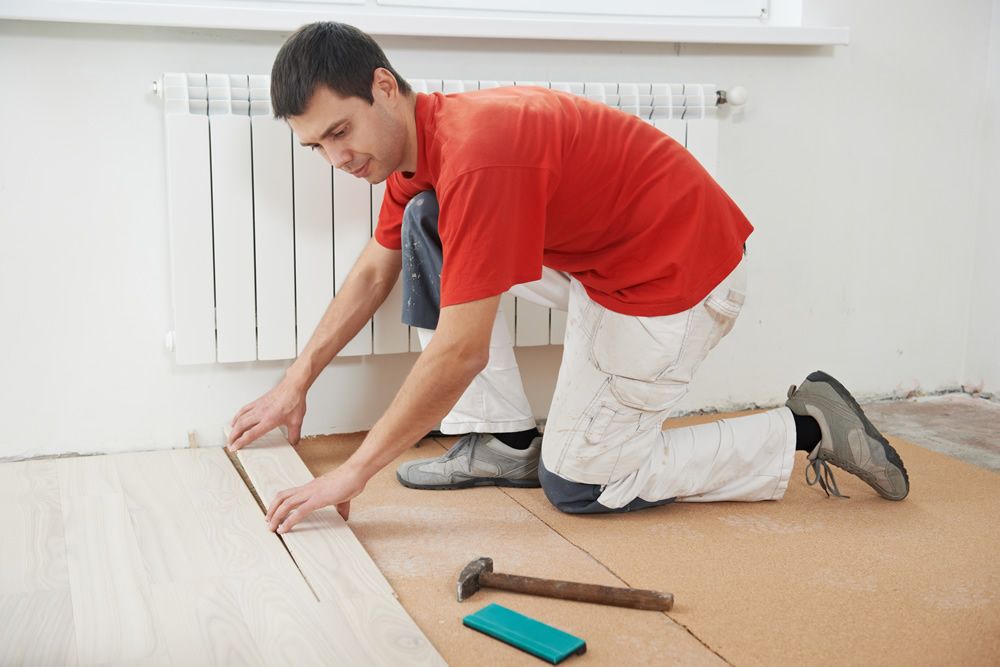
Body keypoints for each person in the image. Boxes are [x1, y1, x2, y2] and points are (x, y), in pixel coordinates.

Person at [226, 22, 909, 534]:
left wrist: (354, 469)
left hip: (679, 281)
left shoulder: (479, 155)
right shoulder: (418, 152)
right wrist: (296, 381)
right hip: (609, 263)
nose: (336, 157)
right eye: (317, 145)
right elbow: (375, 271)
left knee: (580, 485)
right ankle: (502, 440)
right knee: (424, 224)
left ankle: (803, 428)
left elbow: (461, 348)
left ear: (382, 86)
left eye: (341, 131)